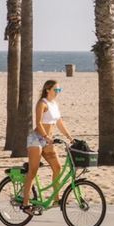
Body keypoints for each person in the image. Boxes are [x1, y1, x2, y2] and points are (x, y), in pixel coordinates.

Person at [22, 80, 74, 215]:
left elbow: (59, 121)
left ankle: (56, 199)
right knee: (32, 172)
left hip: (48, 141)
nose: (58, 93)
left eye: (59, 90)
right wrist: (45, 136)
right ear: (48, 90)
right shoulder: (42, 103)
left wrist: (69, 136)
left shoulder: (55, 104)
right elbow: (38, 122)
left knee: (57, 167)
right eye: (56, 90)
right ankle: (26, 203)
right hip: (36, 139)